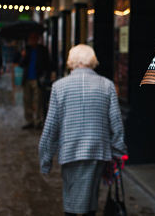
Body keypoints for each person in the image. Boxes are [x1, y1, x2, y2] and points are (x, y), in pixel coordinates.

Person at [39, 44, 127, 216]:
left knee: (71, 197)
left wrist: (45, 159)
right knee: (91, 198)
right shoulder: (107, 85)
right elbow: (116, 123)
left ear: (71, 62)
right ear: (92, 61)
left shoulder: (59, 86)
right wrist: (118, 152)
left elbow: (51, 127)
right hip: (97, 151)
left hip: (70, 151)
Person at [19, 32, 50, 129]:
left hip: (37, 78)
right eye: (30, 38)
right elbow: (21, 64)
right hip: (27, 78)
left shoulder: (42, 50)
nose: (32, 40)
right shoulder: (27, 50)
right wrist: (23, 56)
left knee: (38, 101)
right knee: (27, 100)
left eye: (34, 38)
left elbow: (47, 63)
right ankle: (30, 120)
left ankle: (38, 121)